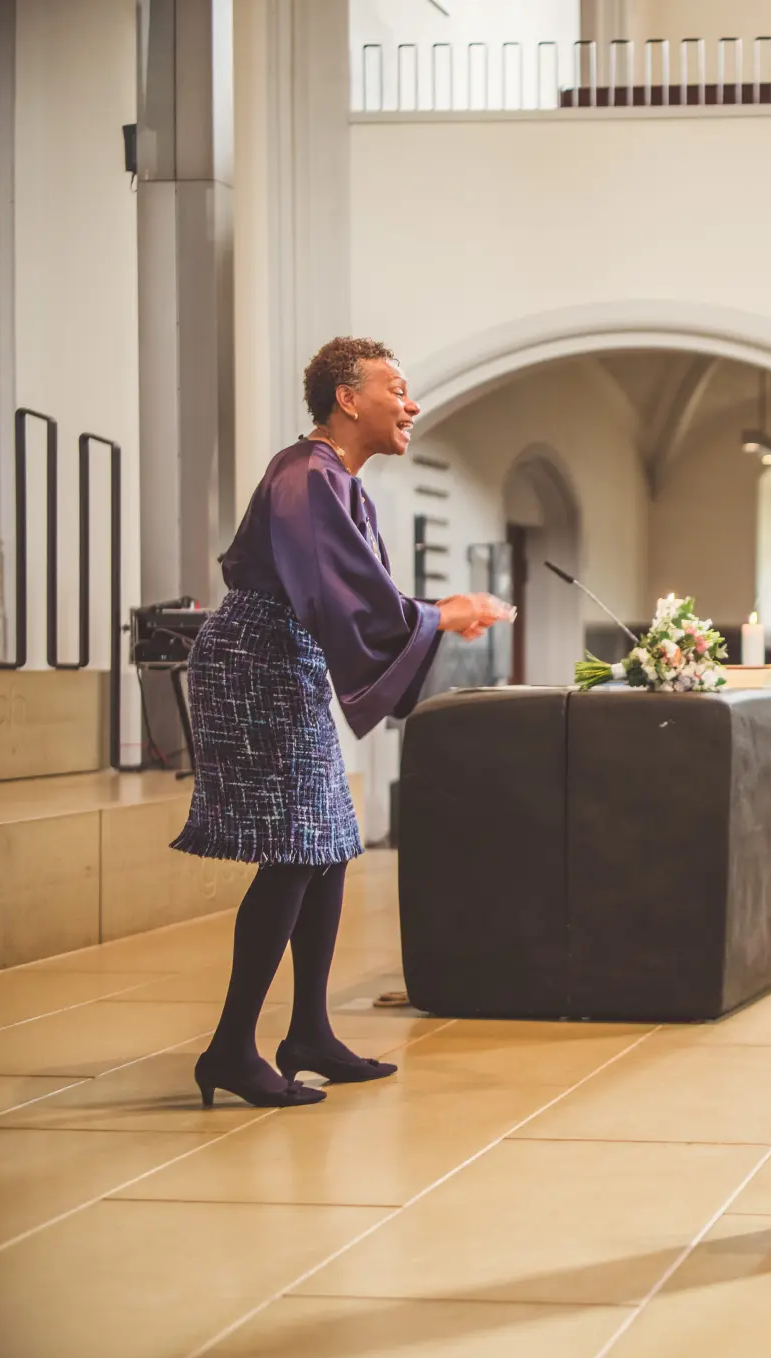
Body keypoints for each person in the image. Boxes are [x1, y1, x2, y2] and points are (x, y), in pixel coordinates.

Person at [175, 338, 514, 1108]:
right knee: (297, 849)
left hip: (284, 658)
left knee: (326, 845)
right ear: (348, 398)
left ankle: (308, 1035)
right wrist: (438, 614)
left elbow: (355, 592)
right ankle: (231, 1049)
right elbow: (341, 592)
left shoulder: (336, 481)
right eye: (397, 388)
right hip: (255, 661)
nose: (412, 403)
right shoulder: (307, 475)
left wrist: (431, 617)